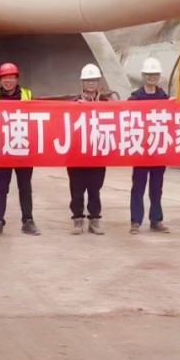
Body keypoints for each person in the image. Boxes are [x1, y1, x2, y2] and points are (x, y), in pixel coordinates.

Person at [0, 62, 40, 237]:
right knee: (1, 187)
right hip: (3, 151)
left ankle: (28, 221)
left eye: (11, 77)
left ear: (17, 79)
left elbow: (39, 117)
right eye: (5, 77)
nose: (8, 81)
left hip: (23, 149)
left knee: (25, 187)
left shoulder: (28, 95)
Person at [68, 64, 112, 235]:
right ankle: (78, 219)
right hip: (77, 155)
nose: (91, 83)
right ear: (82, 82)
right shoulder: (73, 104)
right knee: (77, 190)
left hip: (97, 154)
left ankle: (94, 220)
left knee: (95, 189)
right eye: (88, 80)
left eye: (94, 80)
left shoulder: (106, 103)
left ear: (99, 82)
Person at [128, 57, 170, 234]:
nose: (151, 77)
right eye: (148, 74)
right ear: (143, 76)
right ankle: (136, 221)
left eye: (155, 74)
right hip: (141, 149)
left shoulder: (164, 97)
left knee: (156, 188)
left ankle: (156, 220)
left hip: (158, 149)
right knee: (138, 187)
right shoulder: (135, 98)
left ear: (159, 76)